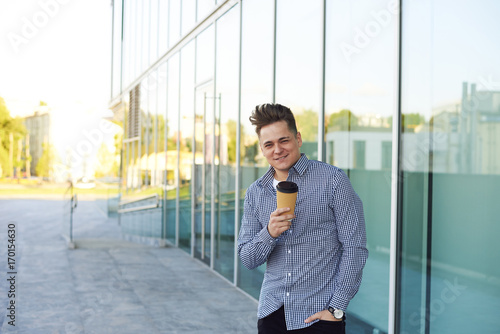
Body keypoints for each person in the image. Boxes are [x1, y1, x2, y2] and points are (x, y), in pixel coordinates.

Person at [237, 103, 368, 333]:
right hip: (272, 314)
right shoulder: (256, 193)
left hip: (319, 317)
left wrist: (336, 308)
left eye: (283, 140)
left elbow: (355, 247)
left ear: (298, 138)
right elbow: (247, 259)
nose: (277, 150)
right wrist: (269, 233)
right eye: (269, 144)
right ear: (262, 149)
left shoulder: (333, 180)